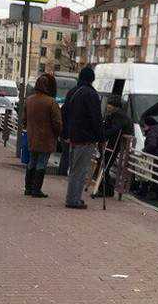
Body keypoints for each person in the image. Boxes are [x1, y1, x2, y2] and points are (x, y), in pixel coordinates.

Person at [61, 67, 104, 209]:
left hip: (73, 137)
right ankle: (73, 199)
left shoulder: (73, 92)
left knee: (74, 169)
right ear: (92, 79)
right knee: (80, 170)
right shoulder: (91, 94)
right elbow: (96, 118)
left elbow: (64, 113)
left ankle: (72, 197)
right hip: (86, 138)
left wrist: (65, 134)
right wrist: (101, 137)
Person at [22, 74, 62, 198]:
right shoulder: (51, 102)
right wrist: (58, 134)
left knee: (32, 161)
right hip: (46, 138)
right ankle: (36, 189)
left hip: (32, 137)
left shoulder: (29, 100)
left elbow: (24, 119)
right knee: (42, 163)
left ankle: (28, 188)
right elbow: (57, 122)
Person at [91, 95, 134, 198]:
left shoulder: (119, 116)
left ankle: (105, 189)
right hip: (112, 143)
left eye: (110, 105)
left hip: (114, 144)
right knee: (103, 165)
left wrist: (104, 135)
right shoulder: (113, 115)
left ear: (115, 106)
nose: (107, 106)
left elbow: (115, 129)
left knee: (104, 165)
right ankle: (108, 189)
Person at [142, 116, 158, 199]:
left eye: (145, 125)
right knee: (157, 176)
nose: (144, 127)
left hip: (155, 157)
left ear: (148, 124)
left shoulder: (152, 132)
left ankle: (153, 194)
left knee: (153, 175)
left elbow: (152, 144)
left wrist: (144, 150)